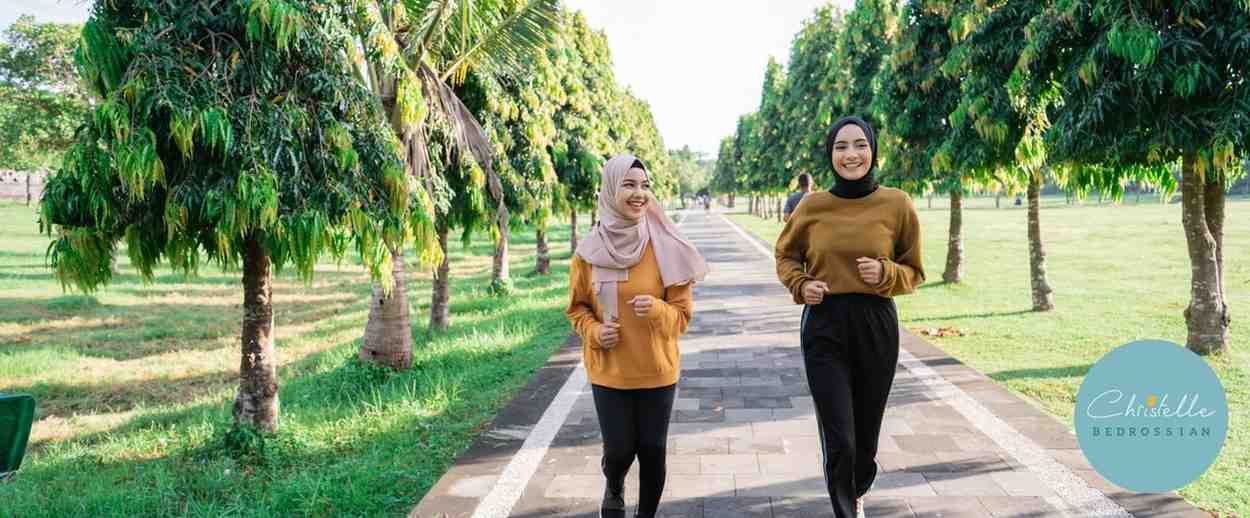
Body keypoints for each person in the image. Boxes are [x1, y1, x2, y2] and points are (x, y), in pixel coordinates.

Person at [774, 116, 925, 518]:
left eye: (859, 144)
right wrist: (802, 285)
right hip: (824, 324)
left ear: (873, 150)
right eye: (841, 146)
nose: (851, 154)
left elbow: (914, 271)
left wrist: (886, 274)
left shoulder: (896, 204)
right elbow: (786, 255)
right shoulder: (812, 206)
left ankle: (857, 487)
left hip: (875, 323)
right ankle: (846, 508)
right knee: (839, 434)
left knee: (865, 437)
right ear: (831, 154)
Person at [566, 153, 709, 518]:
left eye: (644, 185)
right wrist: (596, 331)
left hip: (657, 369)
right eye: (629, 184)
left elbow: (682, 316)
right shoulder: (588, 251)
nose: (638, 193)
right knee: (618, 450)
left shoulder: (665, 246)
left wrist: (659, 310)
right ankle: (614, 484)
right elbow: (577, 308)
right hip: (609, 369)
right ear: (611, 189)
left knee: (651, 448)